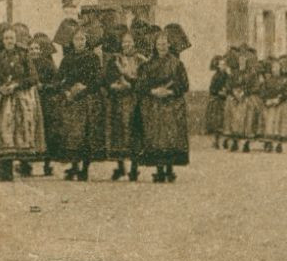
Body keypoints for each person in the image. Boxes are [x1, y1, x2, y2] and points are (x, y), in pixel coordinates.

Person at [0, 23, 43, 181]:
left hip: (19, 99)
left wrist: (17, 85)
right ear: (2, 40)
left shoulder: (24, 55)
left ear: (16, 39)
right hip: (2, 100)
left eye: (11, 37)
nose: (9, 40)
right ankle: (5, 170)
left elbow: (33, 77)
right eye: (6, 38)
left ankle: (23, 166)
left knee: (19, 132)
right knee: (3, 131)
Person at [136, 26, 190, 183]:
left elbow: (184, 85)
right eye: (159, 44)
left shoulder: (177, 64)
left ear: (169, 45)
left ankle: (170, 169)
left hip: (172, 105)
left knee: (170, 136)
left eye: (164, 44)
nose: (162, 47)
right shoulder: (148, 65)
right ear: (155, 45)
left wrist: (170, 92)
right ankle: (159, 170)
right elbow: (141, 84)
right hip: (154, 106)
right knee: (156, 137)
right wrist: (153, 91)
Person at [56, 24, 106, 180]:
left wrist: (84, 88)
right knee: (72, 134)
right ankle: (74, 166)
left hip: (87, 99)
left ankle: (84, 168)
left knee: (86, 134)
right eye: (77, 39)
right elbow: (59, 79)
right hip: (71, 100)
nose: (80, 42)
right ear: (72, 41)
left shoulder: (92, 57)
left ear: (86, 41)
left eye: (82, 39)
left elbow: (98, 80)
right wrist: (66, 90)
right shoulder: (67, 59)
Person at [103, 32, 142, 180]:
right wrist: (112, 85)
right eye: (124, 42)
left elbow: (144, 79)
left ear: (134, 43)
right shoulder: (115, 59)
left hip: (133, 100)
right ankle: (120, 166)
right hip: (117, 100)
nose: (127, 45)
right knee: (118, 132)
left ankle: (134, 167)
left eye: (129, 42)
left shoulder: (140, 60)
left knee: (133, 132)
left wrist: (131, 84)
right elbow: (106, 77)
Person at [30, 32, 63, 177]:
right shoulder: (26, 64)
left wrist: (45, 87)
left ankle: (47, 163)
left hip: (46, 101)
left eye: (38, 49)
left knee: (47, 130)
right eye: (32, 49)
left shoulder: (49, 65)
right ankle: (27, 163)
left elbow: (57, 82)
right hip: (30, 101)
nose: (35, 52)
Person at [258, 54, 287, 153]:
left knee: (280, 125)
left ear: (281, 69)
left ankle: (279, 144)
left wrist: (278, 100)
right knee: (269, 124)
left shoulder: (285, 81)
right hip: (269, 105)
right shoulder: (267, 81)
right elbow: (263, 91)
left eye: (276, 67)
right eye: (273, 68)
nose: (274, 69)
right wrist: (267, 100)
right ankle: (268, 143)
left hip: (281, 105)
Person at [204, 52, 232, 149]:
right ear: (218, 66)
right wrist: (219, 92)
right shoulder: (215, 76)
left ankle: (226, 141)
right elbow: (212, 89)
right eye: (222, 65)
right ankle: (216, 141)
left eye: (225, 64)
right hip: (218, 100)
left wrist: (228, 91)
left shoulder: (228, 76)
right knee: (217, 122)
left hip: (226, 100)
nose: (224, 66)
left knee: (227, 122)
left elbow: (231, 86)